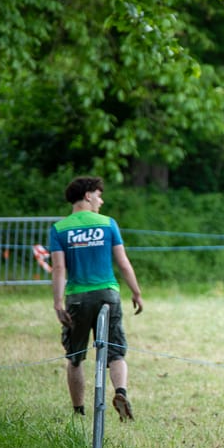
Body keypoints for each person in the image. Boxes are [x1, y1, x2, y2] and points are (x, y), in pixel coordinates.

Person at [50, 176, 144, 421]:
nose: (101, 201)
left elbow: (59, 268)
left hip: (77, 297)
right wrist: (136, 292)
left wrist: (58, 302)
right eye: (99, 196)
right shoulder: (108, 224)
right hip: (107, 294)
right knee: (116, 352)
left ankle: (78, 411)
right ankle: (120, 392)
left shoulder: (59, 229)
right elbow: (123, 262)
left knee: (75, 357)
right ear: (88, 195)